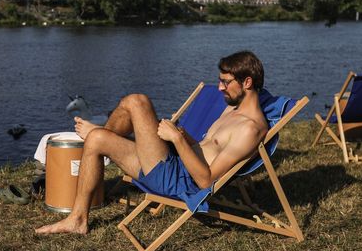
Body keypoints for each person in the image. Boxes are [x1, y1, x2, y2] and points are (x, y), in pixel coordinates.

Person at [35, 50, 268, 235]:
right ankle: (78, 219)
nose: (219, 88)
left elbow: (206, 180)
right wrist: (183, 136)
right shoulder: (231, 110)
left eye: (226, 82)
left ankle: (103, 142)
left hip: (179, 182)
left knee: (137, 102)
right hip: (173, 162)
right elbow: (206, 148)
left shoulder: (250, 129)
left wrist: (176, 139)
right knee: (97, 139)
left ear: (247, 82)